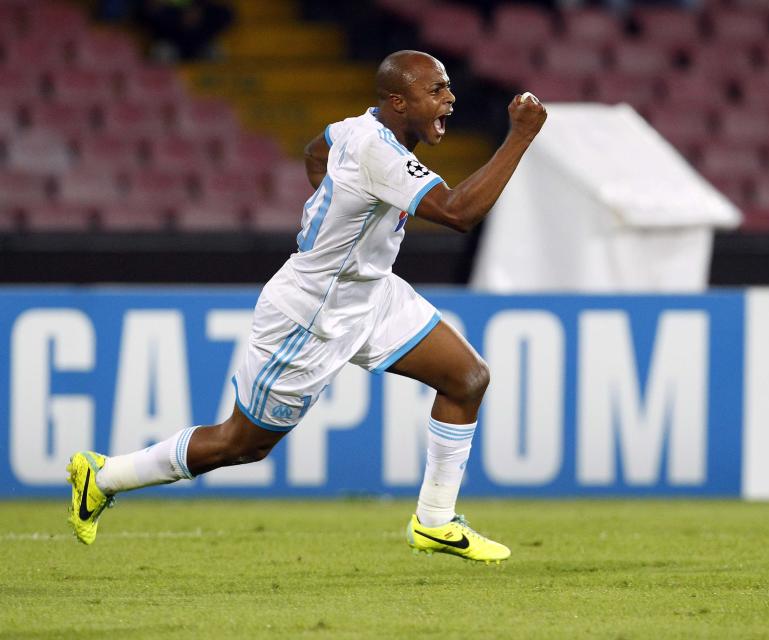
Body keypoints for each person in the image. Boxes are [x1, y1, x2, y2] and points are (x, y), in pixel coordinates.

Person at [67, 50, 548, 564]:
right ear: (397, 101)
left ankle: (434, 521)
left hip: (372, 293)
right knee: (242, 444)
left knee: (467, 378)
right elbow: (458, 213)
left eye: (447, 86)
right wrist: (519, 137)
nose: (449, 97)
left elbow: (315, 152)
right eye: (436, 90)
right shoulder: (378, 153)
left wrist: (334, 216)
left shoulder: (353, 127)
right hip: (313, 314)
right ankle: (104, 476)